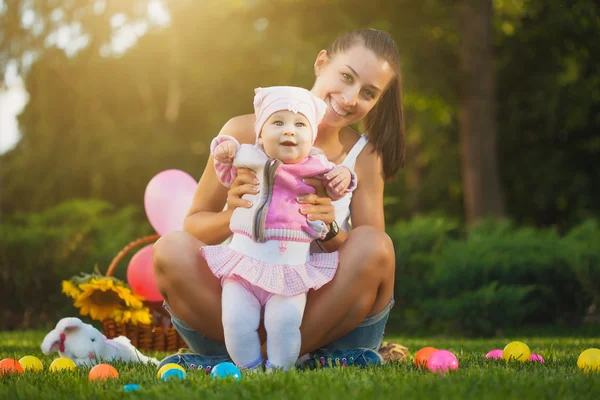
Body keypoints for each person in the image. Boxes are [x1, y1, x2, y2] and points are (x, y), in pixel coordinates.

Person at [154, 28, 405, 372]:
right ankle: (280, 358)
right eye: (346, 77)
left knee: (375, 244)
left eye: (368, 93)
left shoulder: (364, 157)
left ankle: (252, 360)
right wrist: (236, 214)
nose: (349, 98)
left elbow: (371, 259)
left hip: (322, 313)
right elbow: (193, 226)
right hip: (242, 299)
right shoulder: (243, 132)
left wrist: (329, 228)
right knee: (170, 248)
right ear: (321, 63)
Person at [207, 86, 356, 371]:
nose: (289, 131)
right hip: (244, 265)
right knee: (236, 319)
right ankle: (250, 367)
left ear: (311, 137)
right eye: (278, 122)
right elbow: (225, 170)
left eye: (300, 125)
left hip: (289, 270)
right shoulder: (249, 155)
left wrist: (344, 174)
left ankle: (278, 369)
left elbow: (341, 187)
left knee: (285, 322)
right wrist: (224, 148)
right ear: (260, 133)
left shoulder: (316, 166)